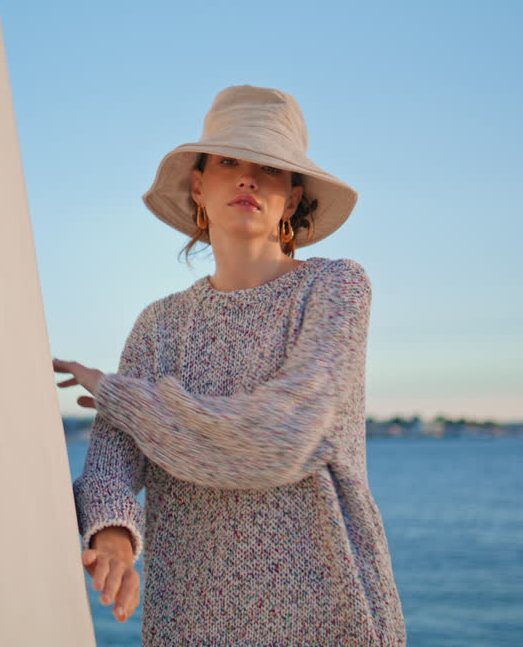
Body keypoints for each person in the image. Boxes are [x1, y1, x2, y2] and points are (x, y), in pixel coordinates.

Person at [53, 85, 407, 645]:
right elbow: (111, 464)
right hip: (192, 625)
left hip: (328, 617)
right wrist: (116, 533)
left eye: (269, 168)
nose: (247, 179)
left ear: (291, 199)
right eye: (227, 162)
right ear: (199, 185)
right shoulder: (159, 325)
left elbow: (278, 438)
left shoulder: (334, 286)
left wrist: (123, 396)